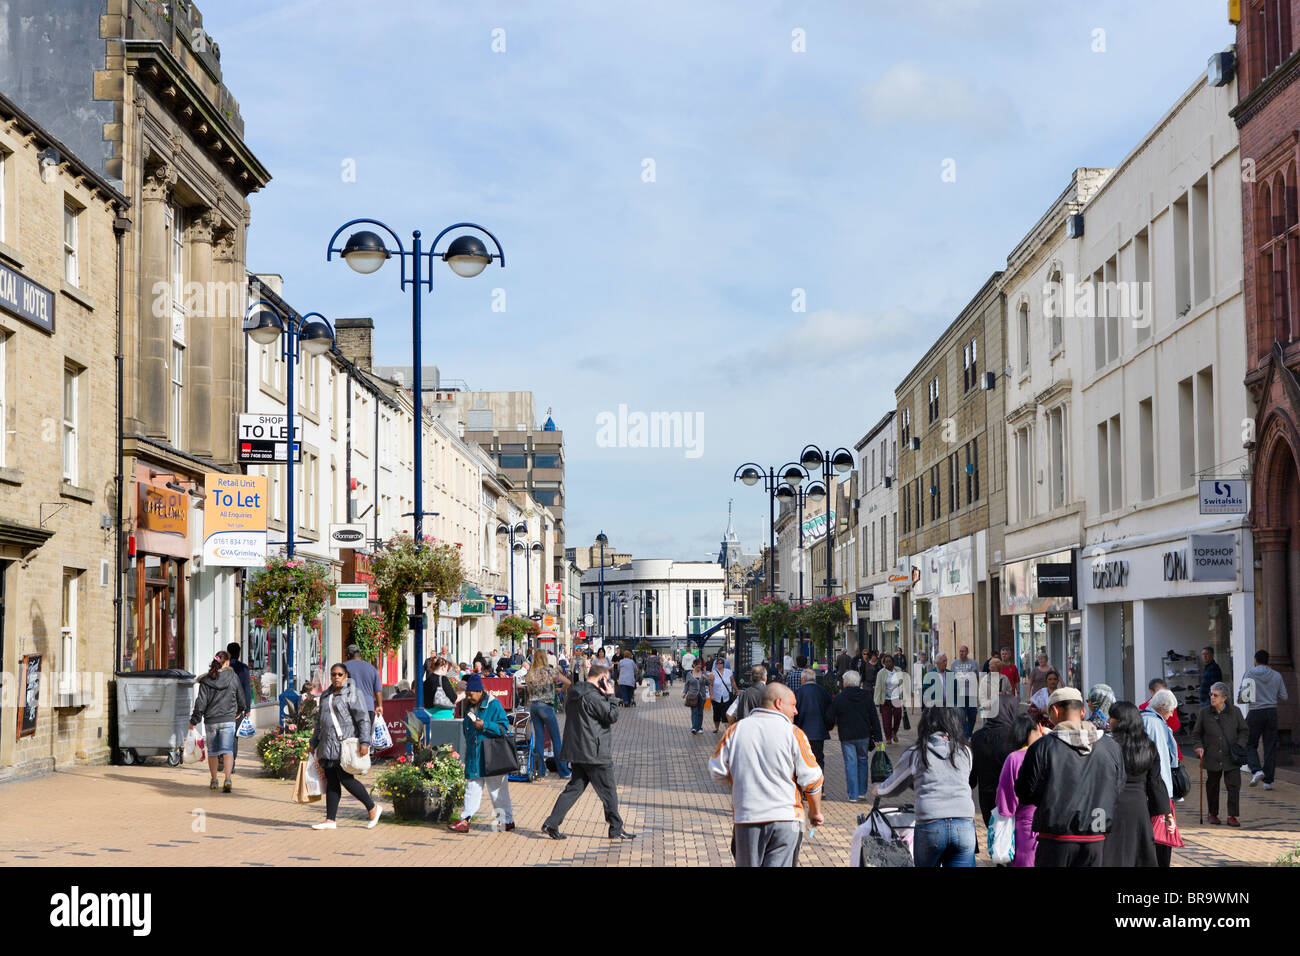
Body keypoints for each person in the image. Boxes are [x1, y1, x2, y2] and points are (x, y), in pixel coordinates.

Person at [709, 682, 825, 867]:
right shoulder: (794, 734)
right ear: (779, 703)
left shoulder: (734, 731)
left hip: (747, 817)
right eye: (793, 705)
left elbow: (717, 771)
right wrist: (815, 811)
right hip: (786, 818)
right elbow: (812, 780)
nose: (796, 711)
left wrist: (739, 778)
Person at [1015, 686, 1125, 867]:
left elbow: (1026, 792)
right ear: (1083, 711)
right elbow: (1118, 786)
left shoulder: (1042, 747)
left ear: (1055, 711)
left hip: (1055, 837)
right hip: (1096, 838)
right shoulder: (1111, 747)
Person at [541, 664, 634, 840]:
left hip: (578, 750)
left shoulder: (574, 692)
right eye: (607, 679)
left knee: (574, 788)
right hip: (595, 752)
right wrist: (611, 695)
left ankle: (551, 823)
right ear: (601, 678)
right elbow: (611, 716)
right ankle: (616, 828)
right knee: (609, 790)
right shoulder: (593, 697)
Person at [874, 707, 976, 867]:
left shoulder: (917, 752)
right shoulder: (965, 751)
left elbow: (892, 787)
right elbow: (957, 780)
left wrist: (878, 790)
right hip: (964, 824)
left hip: (930, 824)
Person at [308, 663, 381, 830]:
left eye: (339, 674)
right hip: (327, 744)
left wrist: (364, 742)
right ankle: (330, 820)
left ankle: (373, 808)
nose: (336, 677)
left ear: (346, 675)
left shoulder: (353, 693)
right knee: (332, 781)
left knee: (346, 779)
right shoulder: (326, 694)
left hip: (344, 744)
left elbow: (363, 718)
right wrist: (313, 742)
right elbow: (319, 722)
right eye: (333, 674)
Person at [1101, 701, 1170, 867]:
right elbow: (1155, 782)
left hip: (1111, 805)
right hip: (1139, 807)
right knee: (1139, 852)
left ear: (1121, 721)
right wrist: (1165, 812)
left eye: (1113, 717)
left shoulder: (1107, 745)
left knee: (1111, 852)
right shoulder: (1147, 746)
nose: (1109, 720)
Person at [449, 673, 515, 833]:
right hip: (475, 755)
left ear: (479, 691)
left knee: (497, 791)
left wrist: (485, 725)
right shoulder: (470, 705)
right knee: (471, 788)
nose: (469, 697)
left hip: (492, 755)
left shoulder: (494, 704)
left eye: (471, 694)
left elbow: (503, 727)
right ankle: (465, 819)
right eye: (468, 694)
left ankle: (507, 821)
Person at [189, 651, 249, 793]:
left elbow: (201, 703)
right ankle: (227, 779)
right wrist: (239, 711)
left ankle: (214, 780)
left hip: (211, 721)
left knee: (213, 752)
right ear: (227, 662)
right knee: (228, 751)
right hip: (228, 719)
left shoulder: (206, 680)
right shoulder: (233, 677)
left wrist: (194, 720)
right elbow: (241, 698)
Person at [1192, 682, 1249, 826]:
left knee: (1234, 785)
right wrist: (1198, 747)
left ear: (1224, 697)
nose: (1212, 697)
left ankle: (1232, 815)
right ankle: (1212, 814)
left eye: (1215, 695)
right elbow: (1196, 734)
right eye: (1211, 694)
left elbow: (1244, 730)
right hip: (1212, 756)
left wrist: (1240, 745)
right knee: (1212, 786)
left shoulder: (1235, 712)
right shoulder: (1204, 713)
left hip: (1231, 756)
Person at [994, 714, 1044, 867]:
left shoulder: (1014, 758)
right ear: (1034, 731)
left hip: (1026, 827)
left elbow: (1005, 804)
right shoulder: (1049, 752)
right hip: (1053, 824)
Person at [826, 670, 882, 801]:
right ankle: (862, 792)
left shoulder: (839, 698)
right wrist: (878, 737)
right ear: (858, 682)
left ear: (845, 683)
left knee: (850, 763)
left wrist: (829, 726)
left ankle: (853, 794)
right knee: (863, 761)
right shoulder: (866, 696)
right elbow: (874, 717)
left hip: (847, 736)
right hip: (864, 734)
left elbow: (830, 716)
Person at [1141, 687, 1180, 865]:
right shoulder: (1154, 724)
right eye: (1171, 710)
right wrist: (1165, 798)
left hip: (1149, 790)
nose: (1171, 715)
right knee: (1160, 841)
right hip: (1157, 791)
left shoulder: (1145, 719)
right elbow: (1161, 764)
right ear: (1163, 706)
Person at [1240, 649, 1288, 790]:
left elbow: (1244, 697)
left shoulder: (1250, 673)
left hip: (1255, 712)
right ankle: (1268, 781)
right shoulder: (1277, 675)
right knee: (1270, 746)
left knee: (1248, 743)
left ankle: (1256, 770)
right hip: (1272, 712)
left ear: (1255, 660)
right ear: (1268, 661)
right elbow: (1284, 696)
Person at [968, 694, 1019, 827]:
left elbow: (972, 778)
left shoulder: (977, 737)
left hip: (987, 801)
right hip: (1012, 800)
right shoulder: (1016, 737)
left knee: (994, 840)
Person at [526, 649, 572, 779]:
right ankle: (563, 771)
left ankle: (540, 771)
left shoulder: (531, 673)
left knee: (539, 739)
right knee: (556, 738)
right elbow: (568, 682)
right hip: (546, 706)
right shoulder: (550, 671)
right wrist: (559, 690)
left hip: (534, 706)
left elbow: (528, 690)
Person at [793, 669, 831, 768]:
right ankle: (820, 782)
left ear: (803, 679)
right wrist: (827, 727)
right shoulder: (822, 691)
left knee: (803, 759)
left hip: (802, 731)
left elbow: (794, 713)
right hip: (819, 732)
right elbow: (829, 712)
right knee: (818, 758)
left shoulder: (798, 692)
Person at [225, 642, 252, 772]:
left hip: (223, 705)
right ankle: (232, 763)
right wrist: (247, 709)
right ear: (239, 652)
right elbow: (247, 689)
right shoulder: (243, 669)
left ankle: (222, 758)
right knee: (234, 735)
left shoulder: (224, 666)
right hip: (237, 706)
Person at [344, 643, 383, 727]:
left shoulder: (343, 667)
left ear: (348, 655)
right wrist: (379, 706)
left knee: (351, 737)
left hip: (350, 708)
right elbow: (378, 690)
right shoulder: (371, 668)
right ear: (359, 654)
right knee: (366, 736)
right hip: (368, 707)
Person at [873, 652, 906, 744]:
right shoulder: (881, 673)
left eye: (890, 661)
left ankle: (894, 732)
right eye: (886, 662)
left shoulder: (898, 671)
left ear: (893, 663)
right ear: (884, 663)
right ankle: (888, 737)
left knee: (898, 716)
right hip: (885, 700)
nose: (888, 663)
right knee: (886, 719)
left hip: (896, 699)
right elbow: (878, 687)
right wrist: (876, 701)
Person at [951, 645, 981, 738]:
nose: (961, 653)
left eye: (963, 651)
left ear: (967, 652)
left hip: (971, 694)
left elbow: (976, 678)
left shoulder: (973, 663)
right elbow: (952, 679)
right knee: (962, 715)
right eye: (960, 651)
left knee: (972, 715)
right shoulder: (954, 664)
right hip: (960, 695)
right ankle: (965, 734)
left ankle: (969, 732)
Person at [709, 655, 739, 733]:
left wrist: (737, 691)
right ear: (715, 665)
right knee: (716, 713)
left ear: (723, 664)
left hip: (726, 696)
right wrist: (711, 694)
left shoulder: (728, 672)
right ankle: (716, 728)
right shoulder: (713, 673)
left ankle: (727, 729)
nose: (719, 665)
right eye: (717, 663)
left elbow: (732, 682)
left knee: (725, 712)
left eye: (720, 663)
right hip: (716, 696)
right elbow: (711, 685)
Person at [683, 659, 709, 735]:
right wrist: (684, 692)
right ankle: (694, 727)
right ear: (694, 665)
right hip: (693, 695)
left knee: (700, 712)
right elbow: (687, 684)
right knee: (694, 711)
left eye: (700, 666)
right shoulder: (689, 674)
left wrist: (705, 678)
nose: (699, 667)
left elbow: (708, 683)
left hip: (702, 695)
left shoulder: (703, 673)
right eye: (698, 666)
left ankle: (699, 728)